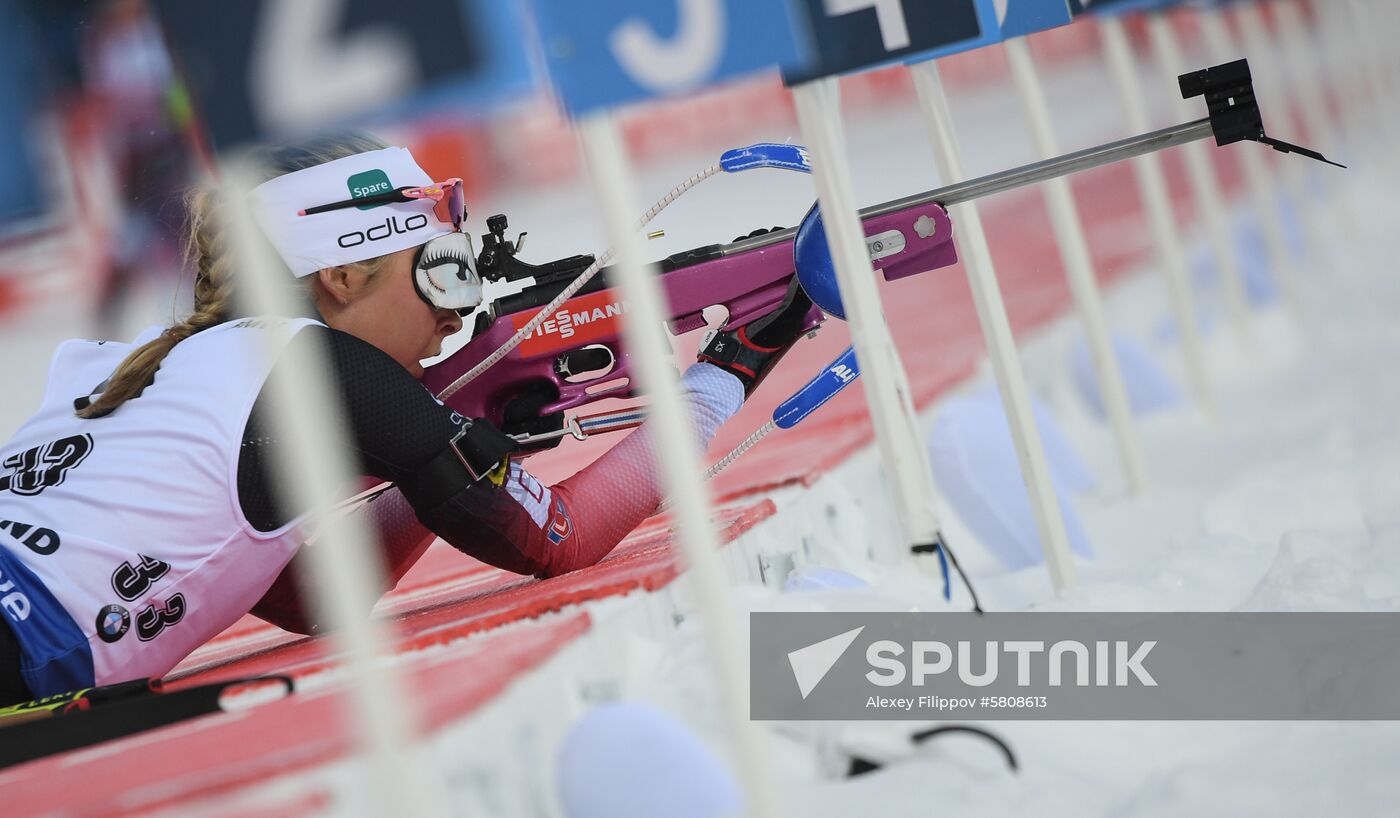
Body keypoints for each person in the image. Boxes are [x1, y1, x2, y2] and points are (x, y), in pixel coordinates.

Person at [0, 134, 815, 707]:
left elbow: (310, 594)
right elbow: (559, 537)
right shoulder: (319, 365)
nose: (456, 318)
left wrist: (449, 436)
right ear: (346, 274)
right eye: (442, 273)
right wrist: (726, 373)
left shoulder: (131, 358)